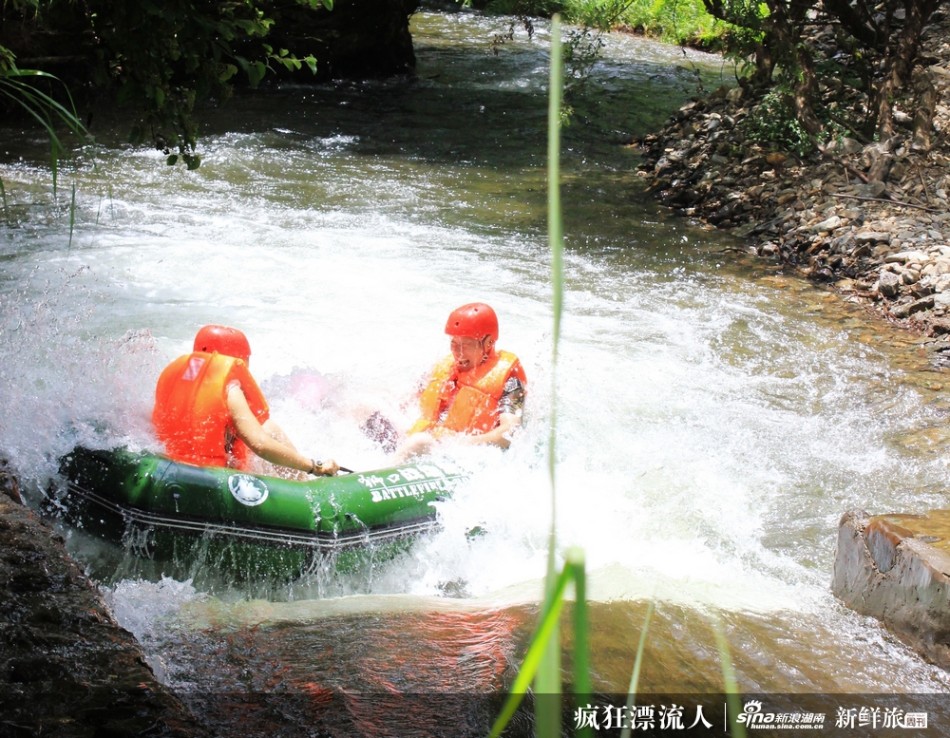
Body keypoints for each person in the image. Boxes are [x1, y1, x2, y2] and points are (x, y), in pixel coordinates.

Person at [152, 324, 339, 478]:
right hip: (207, 480)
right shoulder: (230, 388)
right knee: (268, 429)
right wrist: (315, 466)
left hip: (166, 469)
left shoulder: (176, 374)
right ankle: (303, 485)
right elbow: (260, 444)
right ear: (238, 358)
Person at [396, 302, 526, 459]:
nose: (459, 352)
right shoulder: (444, 366)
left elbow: (509, 432)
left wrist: (460, 443)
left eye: (467, 345)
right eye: (454, 343)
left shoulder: (511, 383)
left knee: (419, 442)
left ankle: (379, 478)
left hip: (457, 453)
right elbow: (405, 404)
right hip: (420, 441)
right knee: (364, 408)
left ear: (488, 343)